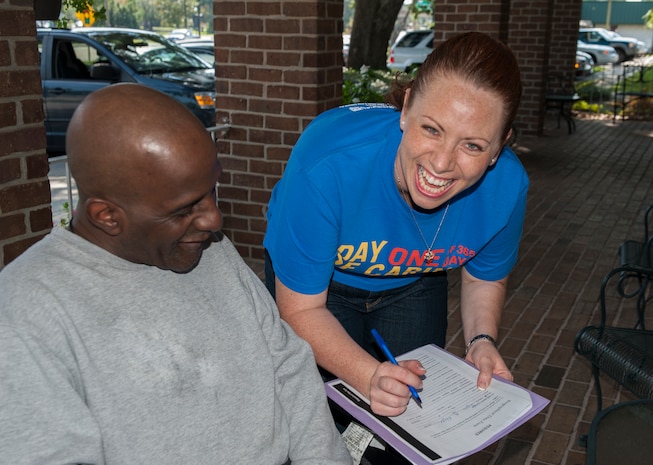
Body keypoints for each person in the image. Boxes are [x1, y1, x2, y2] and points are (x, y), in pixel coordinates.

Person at [0, 83, 352, 465]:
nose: (214, 219)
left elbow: (290, 370)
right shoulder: (26, 310)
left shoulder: (205, 247)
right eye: (185, 209)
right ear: (108, 216)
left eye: (211, 191)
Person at [264, 32, 530, 418]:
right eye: (431, 129)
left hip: (414, 284)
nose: (441, 163)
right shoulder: (327, 162)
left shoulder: (507, 186)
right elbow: (302, 310)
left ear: (499, 147)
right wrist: (368, 374)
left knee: (407, 414)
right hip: (321, 288)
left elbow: (483, 277)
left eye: (472, 145)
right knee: (317, 413)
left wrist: (481, 340)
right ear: (406, 110)